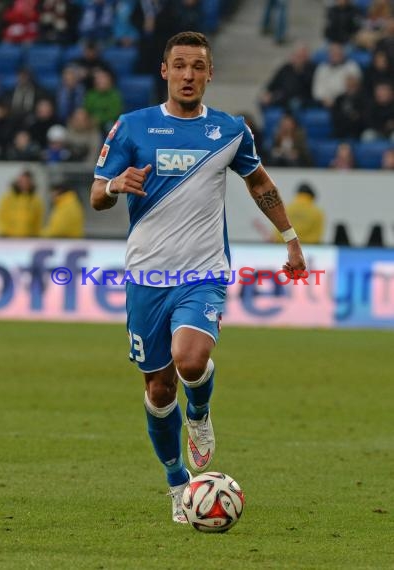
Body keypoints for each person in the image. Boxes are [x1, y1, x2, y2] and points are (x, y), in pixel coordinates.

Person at [90, 31, 306, 524]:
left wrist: (290, 238)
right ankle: (175, 481)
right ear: (165, 71)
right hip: (147, 277)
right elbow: (97, 194)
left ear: (210, 74)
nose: (189, 75)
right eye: (180, 65)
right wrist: (115, 186)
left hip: (201, 273)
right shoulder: (131, 127)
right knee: (158, 388)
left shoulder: (230, 131)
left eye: (198, 67)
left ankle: (201, 413)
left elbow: (260, 183)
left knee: (191, 362)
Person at [0, 169, 44, 237]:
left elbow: (38, 221)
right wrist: (2, 231)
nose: (24, 184)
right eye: (21, 181)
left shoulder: (36, 200)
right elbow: (0, 216)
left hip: (28, 237)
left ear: (30, 183)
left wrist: (36, 234)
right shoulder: (8, 198)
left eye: (26, 181)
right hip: (9, 237)